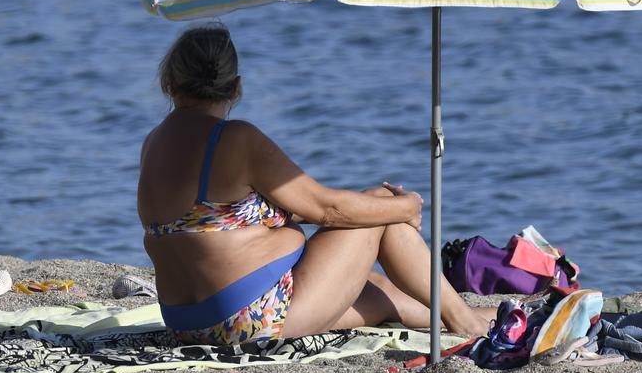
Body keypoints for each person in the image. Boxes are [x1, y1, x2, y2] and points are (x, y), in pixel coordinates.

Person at [138, 24, 493, 345]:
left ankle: (486, 317)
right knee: (379, 205)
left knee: (380, 291)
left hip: (187, 323)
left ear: (170, 82)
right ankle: (466, 322)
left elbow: (218, 222)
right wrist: (406, 206)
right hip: (247, 319)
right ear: (236, 87)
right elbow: (329, 209)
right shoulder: (234, 139)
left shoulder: (154, 143)